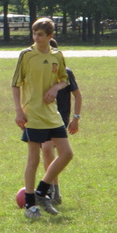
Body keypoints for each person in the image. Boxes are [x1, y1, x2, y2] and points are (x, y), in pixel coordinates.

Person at [12, 17, 74, 219]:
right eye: (34, 34)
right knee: (34, 158)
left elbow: (64, 79)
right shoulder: (26, 55)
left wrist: (56, 87)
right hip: (33, 113)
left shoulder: (57, 55)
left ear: (50, 36)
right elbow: (15, 84)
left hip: (52, 114)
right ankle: (30, 205)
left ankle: (42, 190)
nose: (36, 38)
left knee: (66, 154)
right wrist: (19, 111)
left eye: (40, 34)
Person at [39, 38, 82, 205]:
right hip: (43, 118)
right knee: (46, 151)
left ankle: (49, 189)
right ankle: (53, 189)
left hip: (60, 120)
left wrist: (76, 118)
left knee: (48, 148)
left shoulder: (66, 73)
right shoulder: (40, 74)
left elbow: (78, 95)